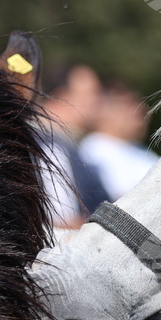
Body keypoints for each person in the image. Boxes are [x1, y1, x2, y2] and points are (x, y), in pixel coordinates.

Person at [39, 65, 111, 228]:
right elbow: (63, 224)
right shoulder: (48, 145)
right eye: (93, 93)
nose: (100, 102)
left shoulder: (61, 144)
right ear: (60, 97)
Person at [79, 83, 158, 201]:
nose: (140, 110)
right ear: (103, 110)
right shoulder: (94, 150)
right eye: (128, 105)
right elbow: (124, 199)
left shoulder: (138, 148)